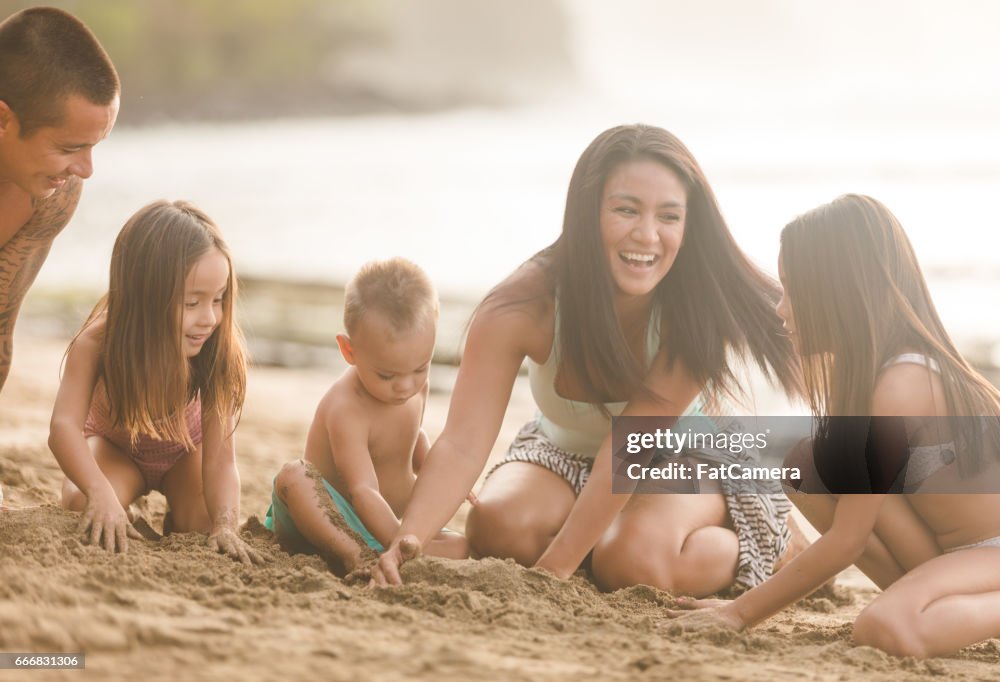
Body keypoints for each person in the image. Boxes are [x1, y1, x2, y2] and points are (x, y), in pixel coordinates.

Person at [371, 124, 802, 594]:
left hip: (682, 455)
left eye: (669, 217)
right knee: (498, 527)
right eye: (626, 210)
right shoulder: (521, 307)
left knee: (631, 560)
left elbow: (624, 457)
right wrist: (407, 540)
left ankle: (778, 543)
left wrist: (551, 575)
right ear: (587, 212)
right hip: (561, 448)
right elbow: (461, 444)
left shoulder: (696, 313)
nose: (647, 235)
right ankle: (598, 537)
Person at [666, 194, 1000, 658]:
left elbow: (845, 542)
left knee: (884, 627)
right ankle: (931, 602)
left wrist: (738, 613)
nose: (781, 309)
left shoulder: (902, 384)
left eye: (793, 290)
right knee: (808, 467)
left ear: (840, 291)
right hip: (962, 554)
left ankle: (935, 608)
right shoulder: (872, 377)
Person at [48, 200, 263, 564]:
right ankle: (127, 512)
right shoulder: (98, 344)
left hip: (186, 454)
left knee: (203, 523)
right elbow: (63, 429)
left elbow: (221, 461)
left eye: (219, 299)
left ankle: (175, 517)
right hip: (117, 451)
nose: (209, 318)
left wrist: (226, 524)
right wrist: (100, 493)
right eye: (192, 302)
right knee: (80, 503)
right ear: (145, 297)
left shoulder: (216, 351)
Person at [266, 258, 469, 574]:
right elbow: (363, 490)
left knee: (462, 547)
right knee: (295, 475)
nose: (405, 386)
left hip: (389, 525)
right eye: (387, 375)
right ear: (349, 351)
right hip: (328, 522)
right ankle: (356, 555)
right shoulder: (346, 407)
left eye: (420, 368)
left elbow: (412, 436)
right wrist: (398, 541)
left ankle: (385, 550)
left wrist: (435, 473)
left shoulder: (417, 386)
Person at [0, 7, 119, 393]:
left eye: (94, 147)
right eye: (70, 147)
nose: (85, 169)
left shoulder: (54, 193)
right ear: (3, 121)